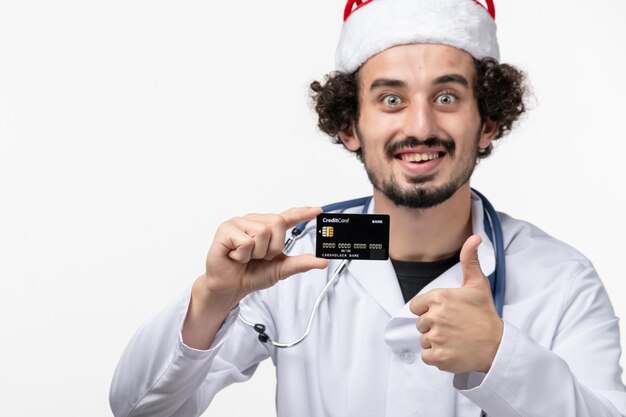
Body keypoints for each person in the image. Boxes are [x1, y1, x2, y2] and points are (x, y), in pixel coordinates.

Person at [110, 0, 626, 416]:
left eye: (447, 97)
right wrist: (212, 299)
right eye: (391, 100)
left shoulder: (561, 280)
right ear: (349, 126)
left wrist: (501, 358)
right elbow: (139, 410)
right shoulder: (292, 262)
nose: (420, 126)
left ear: (487, 122)